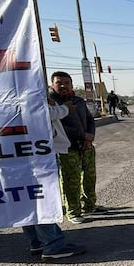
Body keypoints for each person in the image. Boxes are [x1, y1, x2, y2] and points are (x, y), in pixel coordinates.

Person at [22, 99, 87, 259]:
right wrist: (63, 108)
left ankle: (37, 242)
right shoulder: (23, 89)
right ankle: (53, 245)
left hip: (22, 150)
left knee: (30, 198)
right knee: (41, 198)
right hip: (38, 153)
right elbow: (42, 114)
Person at [48, 71, 105, 224]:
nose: (63, 86)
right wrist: (80, 136)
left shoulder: (78, 100)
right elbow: (57, 126)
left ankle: (90, 205)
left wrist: (90, 135)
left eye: (66, 83)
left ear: (71, 85)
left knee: (89, 177)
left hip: (86, 145)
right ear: (52, 85)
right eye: (59, 83)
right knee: (70, 180)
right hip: (67, 148)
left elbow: (89, 120)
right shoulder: (50, 103)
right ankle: (73, 211)